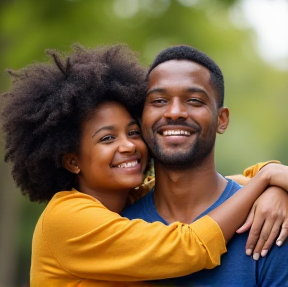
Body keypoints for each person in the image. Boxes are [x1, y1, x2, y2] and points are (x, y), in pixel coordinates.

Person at [1, 44, 288, 287]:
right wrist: (265, 181)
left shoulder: (129, 198)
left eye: (133, 132)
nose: (127, 145)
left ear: (222, 119)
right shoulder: (67, 218)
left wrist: (271, 180)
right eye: (107, 138)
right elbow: (189, 246)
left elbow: (214, 184)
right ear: (72, 160)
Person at [122, 45, 288, 286]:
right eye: (159, 100)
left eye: (194, 100)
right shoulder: (115, 225)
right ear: (141, 119)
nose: (175, 112)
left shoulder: (270, 221)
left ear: (221, 120)